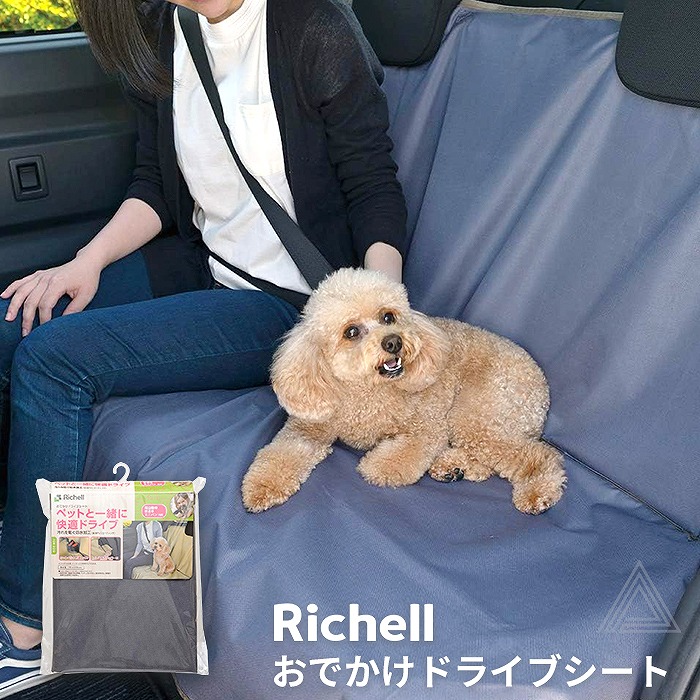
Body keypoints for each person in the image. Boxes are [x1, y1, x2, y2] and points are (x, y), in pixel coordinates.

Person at [0, 0, 407, 692]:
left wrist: (378, 320)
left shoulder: (310, 27)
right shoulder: (165, 31)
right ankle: (26, 540)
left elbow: (373, 186)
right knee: (16, 321)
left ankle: (26, 626)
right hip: (203, 265)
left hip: (288, 305)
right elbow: (156, 186)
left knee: (54, 363)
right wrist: (84, 264)